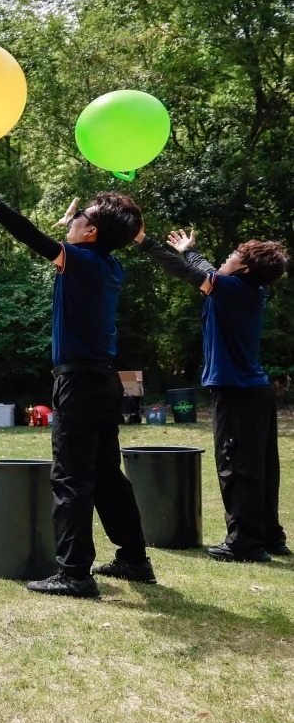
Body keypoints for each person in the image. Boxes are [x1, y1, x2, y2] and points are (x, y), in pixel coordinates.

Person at [0, 165, 152, 598]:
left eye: (83, 218)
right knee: (106, 474)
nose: (75, 219)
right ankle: (135, 558)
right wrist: (74, 232)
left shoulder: (80, 260)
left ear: (92, 233)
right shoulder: (110, 266)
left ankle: (74, 573)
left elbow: (34, 239)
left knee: (70, 477)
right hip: (102, 382)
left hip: (78, 384)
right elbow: (67, 248)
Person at [138, 227, 289, 561]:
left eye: (234, 254)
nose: (227, 256)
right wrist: (188, 249)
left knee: (236, 467)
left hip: (237, 392)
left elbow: (192, 274)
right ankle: (268, 536)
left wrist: (144, 242)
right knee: (261, 467)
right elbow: (204, 269)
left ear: (245, 268)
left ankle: (245, 544)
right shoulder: (243, 288)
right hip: (253, 392)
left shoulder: (234, 289)